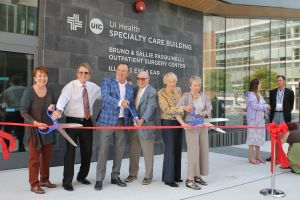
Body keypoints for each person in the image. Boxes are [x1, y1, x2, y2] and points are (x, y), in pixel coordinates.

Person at [51, 63, 101, 191]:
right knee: (70, 151)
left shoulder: (94, 87)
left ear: (90, 75)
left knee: (87, 151)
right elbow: (63, 99)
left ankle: (82, 176)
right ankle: (67, 181)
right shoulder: (70, 86)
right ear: (77, 74)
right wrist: (58, 110)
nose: (83, 75)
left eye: (86, 73)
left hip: (87, 122)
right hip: (72, 121)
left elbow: (104, 95)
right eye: (81, 72)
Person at [95, 63, 138, 190]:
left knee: (119, 151)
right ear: (116, 71)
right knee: (103, 150)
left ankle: (115, 176)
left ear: (128, 73)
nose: (121, 72)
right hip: (107, 121)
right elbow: (105, 97)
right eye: (119, 70)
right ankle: (99, 179)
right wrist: (119, 102)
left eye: (124, 71)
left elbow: (131, 106)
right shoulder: (107, 82)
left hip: (122, 122)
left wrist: (135, 118)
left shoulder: (131, 88)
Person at [20, 66, 57, 194]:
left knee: (46, 157)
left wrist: (55, 107)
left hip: (48, 129)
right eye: (40, 75)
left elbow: (57, 107)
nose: (43, 78)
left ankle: (44, 180)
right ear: (35, 78)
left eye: (45, 76)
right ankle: (34, 184)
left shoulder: (51, 90)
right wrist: (36, 123)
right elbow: (23, 112)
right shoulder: (29, 92)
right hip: (34, 129)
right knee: (34, 158)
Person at [176, 75, 212, 190]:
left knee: (202, 152)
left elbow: (209, 109)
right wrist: (183, 124)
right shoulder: (185, 97)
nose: (197, 87)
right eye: (195, 85)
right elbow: (177, 111)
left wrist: (204, 113)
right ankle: (190, 179)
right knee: (193, 153)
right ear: (190, 86)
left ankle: (197, 176)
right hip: (191, 128)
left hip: (203, 126)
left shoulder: (204, 97)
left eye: (199, 85)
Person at [158, 72, 192, 187]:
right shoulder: (161, 93)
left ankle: (176, 176)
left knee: (177, 148)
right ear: (165, 82)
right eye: (170, 81)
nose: (172, 83)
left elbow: (182, 103)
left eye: (174, 81)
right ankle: (168, 178)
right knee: (170, 148)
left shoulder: (178, 90)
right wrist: (182, 108)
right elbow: (166, 109)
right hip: (167, 122)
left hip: (179, 121)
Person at [124, 71, 157, 185]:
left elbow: (150, 107)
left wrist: (142, 119)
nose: (141, 81)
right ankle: (132, 174)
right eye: (139, 78)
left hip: (145, 125)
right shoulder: (134, 89)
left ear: (148, 79)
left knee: (148, 153)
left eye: (143, 79)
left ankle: (148, 176)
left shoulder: (152, 91)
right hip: (134, 126)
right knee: (133, 153)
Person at [267, 75, 294, 161]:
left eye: (280, 80)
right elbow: (271, 104)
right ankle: (273, 156)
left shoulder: (290, 92)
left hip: (284, 115)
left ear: (284, 82)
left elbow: (291, 105)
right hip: (274, 115)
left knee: (283, 137)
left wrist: (286, 111)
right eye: (277, 80)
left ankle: (281, 155)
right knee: (273, 136)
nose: (278, 82)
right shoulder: (272, 92)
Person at [245, 79, 269, 164]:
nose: (261, 85)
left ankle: (258, 156)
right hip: (253, 121)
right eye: (260, 84)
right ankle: (251, 157)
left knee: (259, 138)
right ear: (256, 85)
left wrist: (265, 107)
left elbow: (262, 105)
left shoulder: (259, 94)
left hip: (260, 120)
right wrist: (265, 106)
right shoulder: (251, 94)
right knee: (252, 138)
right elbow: (254, 106)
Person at [0, 75, 26, 152]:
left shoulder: (7, 90)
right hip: (21, 113)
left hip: (11, 112)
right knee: (21, 131)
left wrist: (2, 109)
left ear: (11, 83)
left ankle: (6, 148)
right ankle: (21, 147)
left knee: (7, 131)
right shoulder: (24, 89)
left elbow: (1, 99)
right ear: (19, 82)